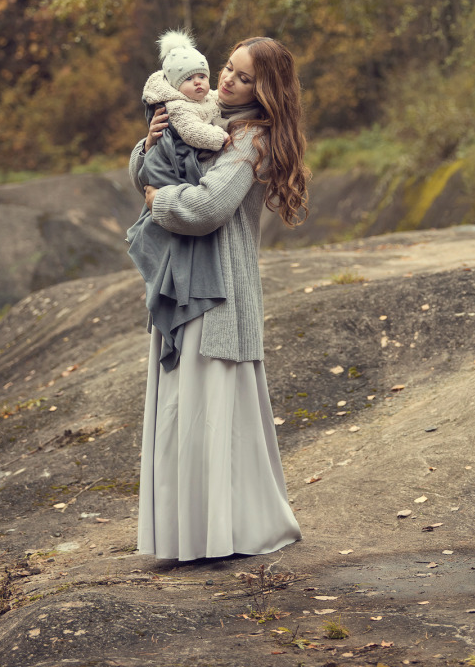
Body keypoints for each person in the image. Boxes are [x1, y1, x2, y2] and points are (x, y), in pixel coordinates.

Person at [130, 36, 309, 562]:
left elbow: (207, 207)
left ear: (267, 90)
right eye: (228, 68)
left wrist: (158, 198)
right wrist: (150, 143)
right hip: (184, 285)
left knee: (208, 413)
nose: (228, 80)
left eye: (245, 77)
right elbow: (149, 172)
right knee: (181, 411)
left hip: (219, 297)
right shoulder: (205, 120)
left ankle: (223, 533)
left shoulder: (253, 139)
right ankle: (188, 535)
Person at [126, 31, 229, 372]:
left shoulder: (214, 105)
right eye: (191, 79)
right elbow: (144, 177)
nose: (201, 84)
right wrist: (148, 144)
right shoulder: (176, 111)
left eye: (204, 76)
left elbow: (210, 202)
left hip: (192, 215)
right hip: (170, 197)